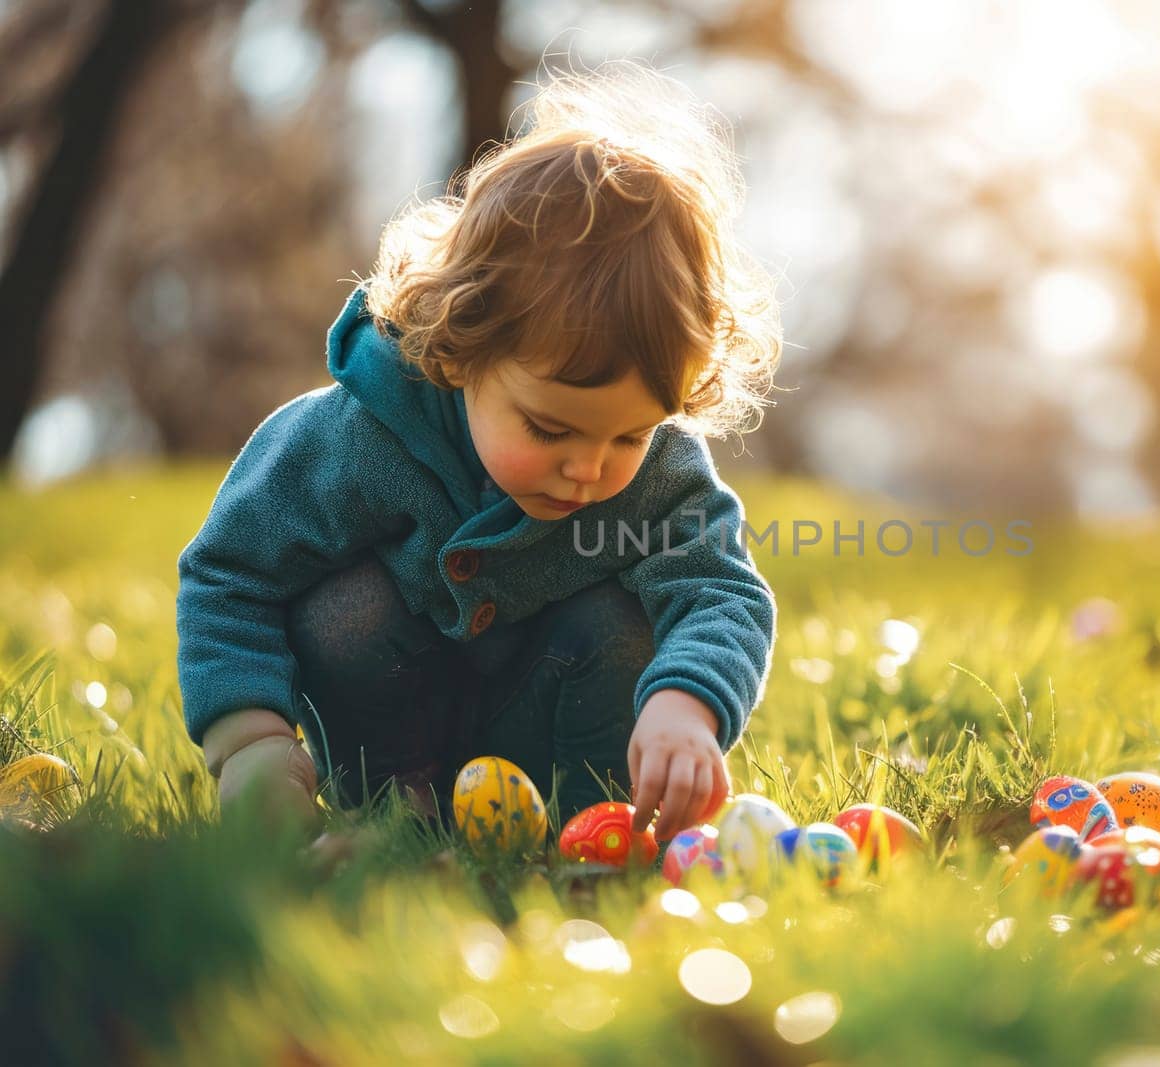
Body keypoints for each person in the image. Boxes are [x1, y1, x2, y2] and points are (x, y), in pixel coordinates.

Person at [175, 60, 782, 851]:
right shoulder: (359, 435)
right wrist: (250, 741)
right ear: (460, 350)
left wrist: (687, 704)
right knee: (341, 607)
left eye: (629, 435)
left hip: (553, 733)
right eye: (550, 429)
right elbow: (232, 572)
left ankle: (586, 824)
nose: (591, 467)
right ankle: (396, 820)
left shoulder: (661, 478)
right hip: (390, 730)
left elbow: (720, 594)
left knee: (629, 619)